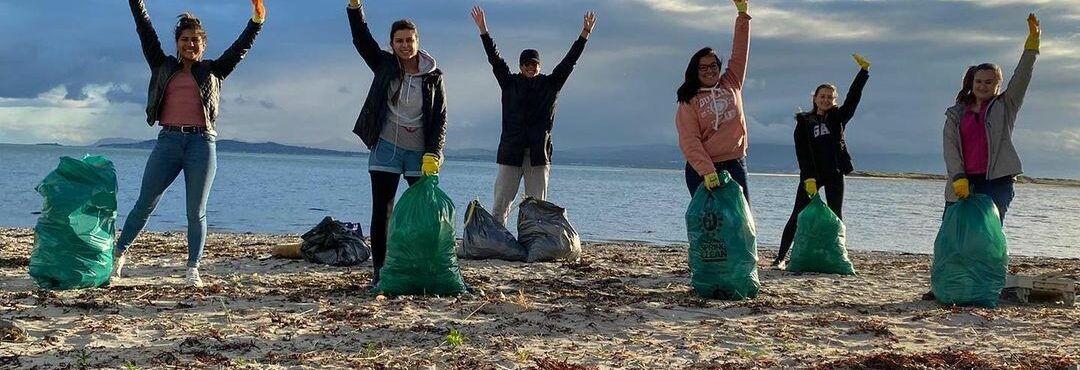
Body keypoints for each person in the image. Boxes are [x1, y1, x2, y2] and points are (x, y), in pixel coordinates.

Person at [112, 0, 266, 287]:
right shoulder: (162, 64)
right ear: (177, 43)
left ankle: (192, 267)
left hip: (201, 144)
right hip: (168, 142)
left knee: (196, 211)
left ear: (203, 45)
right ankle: (118, 254)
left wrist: (255, 23)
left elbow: (239, 49)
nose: (190, 44)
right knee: (145, 203)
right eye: (185, 40)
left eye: (195, 40)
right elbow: (145, 30)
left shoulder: (214, 70)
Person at [923, 13, 1040, 301]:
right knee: (951, 236)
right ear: (971, 81)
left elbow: (1022, 78)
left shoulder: (1005, 106)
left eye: (989, 82)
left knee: (986, 238)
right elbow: (950, 147)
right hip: (962, 182)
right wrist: (958, 176)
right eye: (979, 81)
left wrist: (1032, 47)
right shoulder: (956, 113)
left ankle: (984, 287)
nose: (983, 86)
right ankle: (943, 285)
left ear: (998, 85)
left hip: (996, 182)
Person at [346, 0, 448, 288]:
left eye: (410, 40)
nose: (405, 45)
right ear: (391, 44)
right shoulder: (384, 64)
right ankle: (380, 271)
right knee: (383, 210)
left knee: (424, 214)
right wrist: (355, 8)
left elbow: (440, 117)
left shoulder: (433, 77)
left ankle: (422, 267)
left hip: (420, 153)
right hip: (386, 148)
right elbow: (360, 38)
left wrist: (435, 152)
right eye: (399, 41)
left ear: (418, 42)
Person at [470, 6, 597, 226]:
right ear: (520, 66)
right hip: (511, 152)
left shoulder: (551, 84)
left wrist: (584, 35)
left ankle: (534, 240)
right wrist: (483, 30)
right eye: (527, 64)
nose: (531, 67)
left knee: (537, 205)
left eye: (534, 64)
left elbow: (569, 62)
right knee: (501, 203)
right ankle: (499, 240)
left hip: (538, 154)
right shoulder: (509, 84)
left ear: (540, 66)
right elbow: (495, 59)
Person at [772, 54, 871, 269]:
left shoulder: (838, 117)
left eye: (830, 97)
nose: (826, 100)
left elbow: (854, 97)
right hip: (812, 176)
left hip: (835, 173)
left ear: (834, 100)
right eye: (822, 96)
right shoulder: (804, 122)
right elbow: (802, 153)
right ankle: (780, 258)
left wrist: (863, 73)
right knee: (797, 215)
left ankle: (836, 255)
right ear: (815, 97)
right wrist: (808, 177)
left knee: (836, 217)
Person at [675, 0, 752, 201]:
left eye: (713, 66)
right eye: (703, 67)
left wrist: (742, 15)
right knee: (710, 227)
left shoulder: (731, 82)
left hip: (735, 163)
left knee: (741, 225)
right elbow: (689, 140)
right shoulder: (689, 100)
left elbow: (740, 52)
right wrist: (707, 171)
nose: (710, 70)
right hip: (702, 169)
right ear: (695, 70)